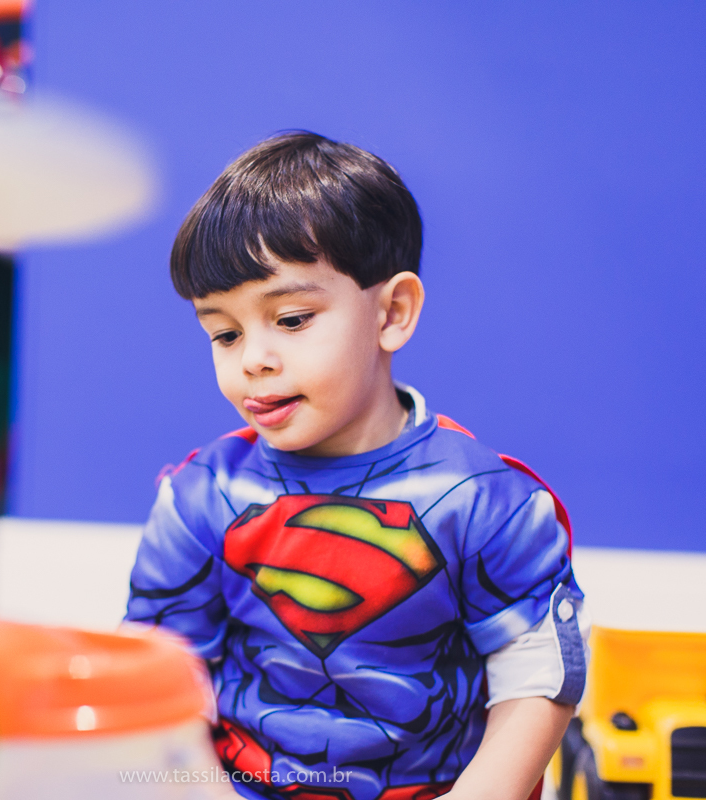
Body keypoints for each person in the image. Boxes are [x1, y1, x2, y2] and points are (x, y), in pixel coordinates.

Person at [125, 132, 590, 800]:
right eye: (224, 333)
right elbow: (162, 675)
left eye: (289, 318)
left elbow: (539, 673)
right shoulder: (203, 496)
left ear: (392, 313)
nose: (252, 358)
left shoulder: (483, 502)